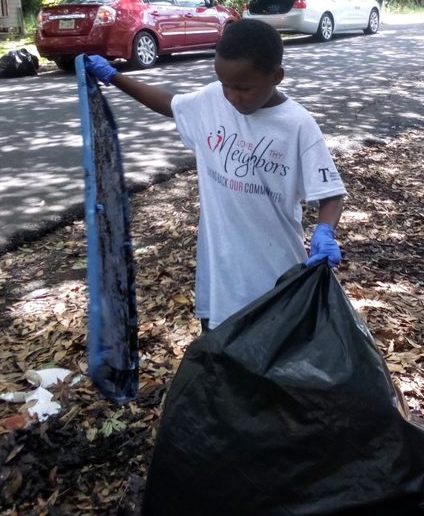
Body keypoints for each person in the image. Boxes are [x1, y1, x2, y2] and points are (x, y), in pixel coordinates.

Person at [84, 20, 346, 331]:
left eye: (244, 88)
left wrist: (325, 231)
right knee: (221, 360)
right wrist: (113, 77)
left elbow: (330, 193)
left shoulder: (298, 126)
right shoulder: (211, 100)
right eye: (224, 84)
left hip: (277, 279)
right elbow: (170, 105)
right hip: (220, 279)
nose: (232, 96)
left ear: (276, 77)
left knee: (271, 362)